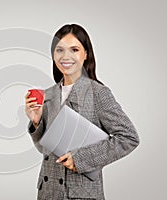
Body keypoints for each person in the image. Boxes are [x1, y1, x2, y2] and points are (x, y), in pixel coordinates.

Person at [25, 24, 139, 200]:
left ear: (86, 54)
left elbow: (128, 137)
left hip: (80, 194)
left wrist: (80, 159)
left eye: (74, 49)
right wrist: (36, 121)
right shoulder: (48, 94)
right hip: (47, 192)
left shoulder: (98, 93)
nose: (66, 56)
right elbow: (44, 149)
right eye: (59, 50)